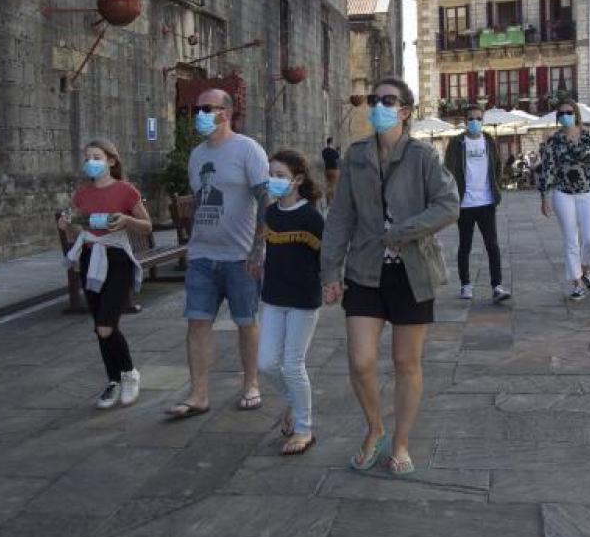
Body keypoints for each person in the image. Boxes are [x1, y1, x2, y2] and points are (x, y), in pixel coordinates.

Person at [321, 78, 459, 476]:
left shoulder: (422, 157)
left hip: (412, 273)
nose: (378, 106)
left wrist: (403, 231)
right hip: (364, 271)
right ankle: (375, 428)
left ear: (404, 111)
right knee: (360, 361)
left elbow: (449, 206)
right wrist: (330, 270)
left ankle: (400, 442)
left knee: (405, 363)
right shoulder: (357, 155)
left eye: (387, 100)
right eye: (373, 100)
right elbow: (341, 217)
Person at [165, 89, 270, 420]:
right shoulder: (197, 154)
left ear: (226, 112)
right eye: (196, 109)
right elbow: (200, 198)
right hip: (202, 255)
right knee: (197, 321)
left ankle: (251, 383)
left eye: (205, 109)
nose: (198, 115)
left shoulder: (247, 149)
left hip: (240, 256)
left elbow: (264, 199)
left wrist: (258, 247)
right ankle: (198, 394)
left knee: (245, 321)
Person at [60, 139, 153, 409]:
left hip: (117, 259)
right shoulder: (82, 194)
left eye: (97, 156)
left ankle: (129, 374)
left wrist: (127, 221)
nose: (91, 161)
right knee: (100, 327)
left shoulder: (125, 190)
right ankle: (113, 380)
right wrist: (66, 225)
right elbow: (75, 230)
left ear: (111, 161)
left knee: (106, 326)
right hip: (91, 258)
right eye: (87, 157)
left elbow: (146, 226)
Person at [258, 149, 325, 456]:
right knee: (267, 362)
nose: (273, 180)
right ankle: (295, 402)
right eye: (270, 174)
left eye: (280, 176)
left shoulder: (311, 217)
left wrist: (333, 284)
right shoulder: (270, 214)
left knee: (292, 364)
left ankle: (304, 429)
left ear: (297, 179)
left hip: (302, 301)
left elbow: (326, 257)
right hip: (273, 297)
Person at [444, 106, 511, 303]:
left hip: (486, 202)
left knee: (492, 245)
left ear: (483, 120)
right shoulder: (457, 142)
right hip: (464, 203)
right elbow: (448, 170)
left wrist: (495, 187)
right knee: (465, 245)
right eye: (471, 118)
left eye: (478, 118)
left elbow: (497, 165)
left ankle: (497, 286)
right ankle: (466, 285)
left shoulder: (489, 141)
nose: (474, 122)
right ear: (465, 121)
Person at [538, 98, 590, 301]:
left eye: (569, 112)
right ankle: (577, 283)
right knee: (571, 240)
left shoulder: (588, 137)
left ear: (576, 114)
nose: (565, 115)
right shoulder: (553, 140)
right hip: (563, 193)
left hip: (588, 191)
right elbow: (548, 168)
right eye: (562, 113)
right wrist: (544, 196)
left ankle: (586, 269)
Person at [322, 137, 341, 206]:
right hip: (334, 169)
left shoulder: (324, 151)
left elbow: (324, 158)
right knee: (333, 186)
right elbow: (338, 158)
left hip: (327, 169)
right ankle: (332, 202)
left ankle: (328, 201)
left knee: (328, 185)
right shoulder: (334, 151)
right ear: (331, 142)